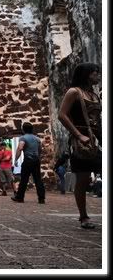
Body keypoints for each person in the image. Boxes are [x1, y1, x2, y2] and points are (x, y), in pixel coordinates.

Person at [57, 63, 101, 229]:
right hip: (81, 141)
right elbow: (62, 115)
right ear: (88, 74)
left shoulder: (94, 96)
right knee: (82, 180)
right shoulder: (74, 92)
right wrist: (78, 134)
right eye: (96, 73)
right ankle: (83, 216)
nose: (98, 76)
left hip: (95, 140)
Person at [11, 122, 46, 204]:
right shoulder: (37, 139)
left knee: (24, 179)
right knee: (38, 179)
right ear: (32, 129)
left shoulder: (23, 138)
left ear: (23, 129)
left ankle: (20, 197)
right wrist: (38, 157)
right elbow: (40, 150)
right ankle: (41, 198)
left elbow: (20, 148)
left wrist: (16, 159)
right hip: (36, 161)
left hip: (28, 160)